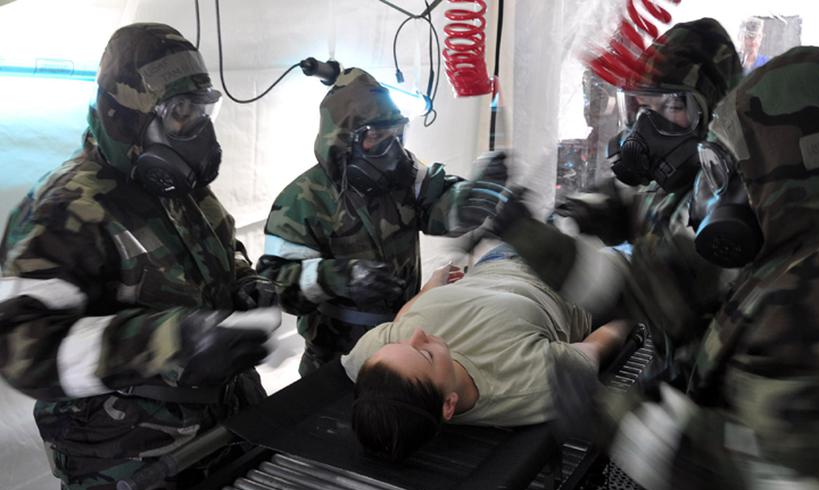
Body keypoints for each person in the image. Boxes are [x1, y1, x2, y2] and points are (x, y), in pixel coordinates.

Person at [559, 46, 819, 490]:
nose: (713, 189)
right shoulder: (782, 241)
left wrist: (611, 414)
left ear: (777, 171)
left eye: (725, 166)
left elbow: (774, 482)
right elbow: (659, 285)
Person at [0, 24, 278, 490]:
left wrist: (246, 285)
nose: (196, 130)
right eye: (180, 113)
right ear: (124, 114)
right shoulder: (66, 208)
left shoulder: (180, 187)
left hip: (223, 431)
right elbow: (21, 348)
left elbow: (223, 255)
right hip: (129, 470)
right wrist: (173, 342)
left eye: (203, 111)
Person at [500, 18, 743, 387]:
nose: (647, 125)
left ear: (714, 111)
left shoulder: (731, 208)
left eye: (671, 106)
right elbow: (623, 201)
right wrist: (574, 214)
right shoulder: (673, 182)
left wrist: (525, 233)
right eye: (642, 106)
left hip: (713, 395)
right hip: (673, 370)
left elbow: (637, 292)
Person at [258, 67, 508, 378]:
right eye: (375, 136)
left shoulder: (405, 173)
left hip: (402, 340)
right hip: (335, 356)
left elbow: (440, 205)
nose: (389, 147)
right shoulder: (304, 198)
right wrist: (341, 277)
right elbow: (277, 281)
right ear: (344, 139)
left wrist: (471, 197)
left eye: (394, 133)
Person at [341, 249, 631, 461]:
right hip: (570, 275)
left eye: (405, 343)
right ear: (448, 406)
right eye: (426, 355)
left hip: (494, 259)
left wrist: (434, 282)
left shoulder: (372, 359)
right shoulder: (524, 383)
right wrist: (634, 313)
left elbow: (403, 320)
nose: (419, 335)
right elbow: (595, 347)